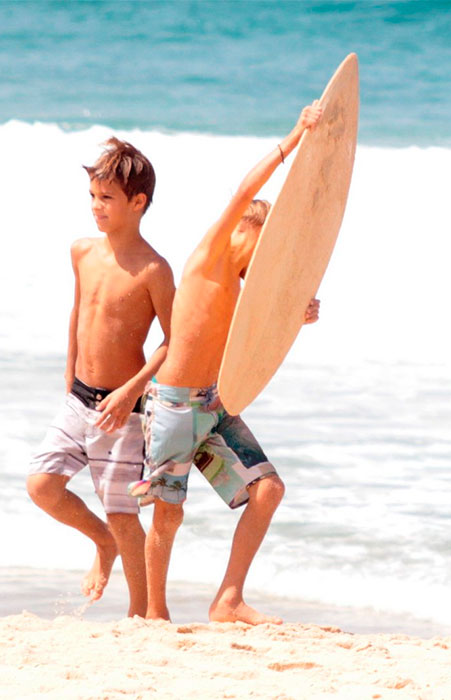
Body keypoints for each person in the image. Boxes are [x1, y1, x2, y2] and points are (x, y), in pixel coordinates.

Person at [130, 102, 323, 625]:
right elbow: (243, 190)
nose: (266, 262)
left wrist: (298, 314)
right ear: (246, 230)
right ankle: (154, 613)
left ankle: (228, 599)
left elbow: (262, 345)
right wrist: (295, 137)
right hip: (172, 407)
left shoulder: (245, 291)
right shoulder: (210, 256)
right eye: (264, 248)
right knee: (168, 515)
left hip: (216, 405)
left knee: (269, 488)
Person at [26, 138, 175, 617]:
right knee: (42, 486)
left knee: (122, 512)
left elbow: (175, 342)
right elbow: (79, 312)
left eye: (106, 198)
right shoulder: (82, 251)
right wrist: (69, 375)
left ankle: (139, 612)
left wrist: (132, 391)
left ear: (138, 203)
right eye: (92, 196)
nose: (96, 206)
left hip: (122, 410)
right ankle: (102, 543)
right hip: (78, 398)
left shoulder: (154, 270)